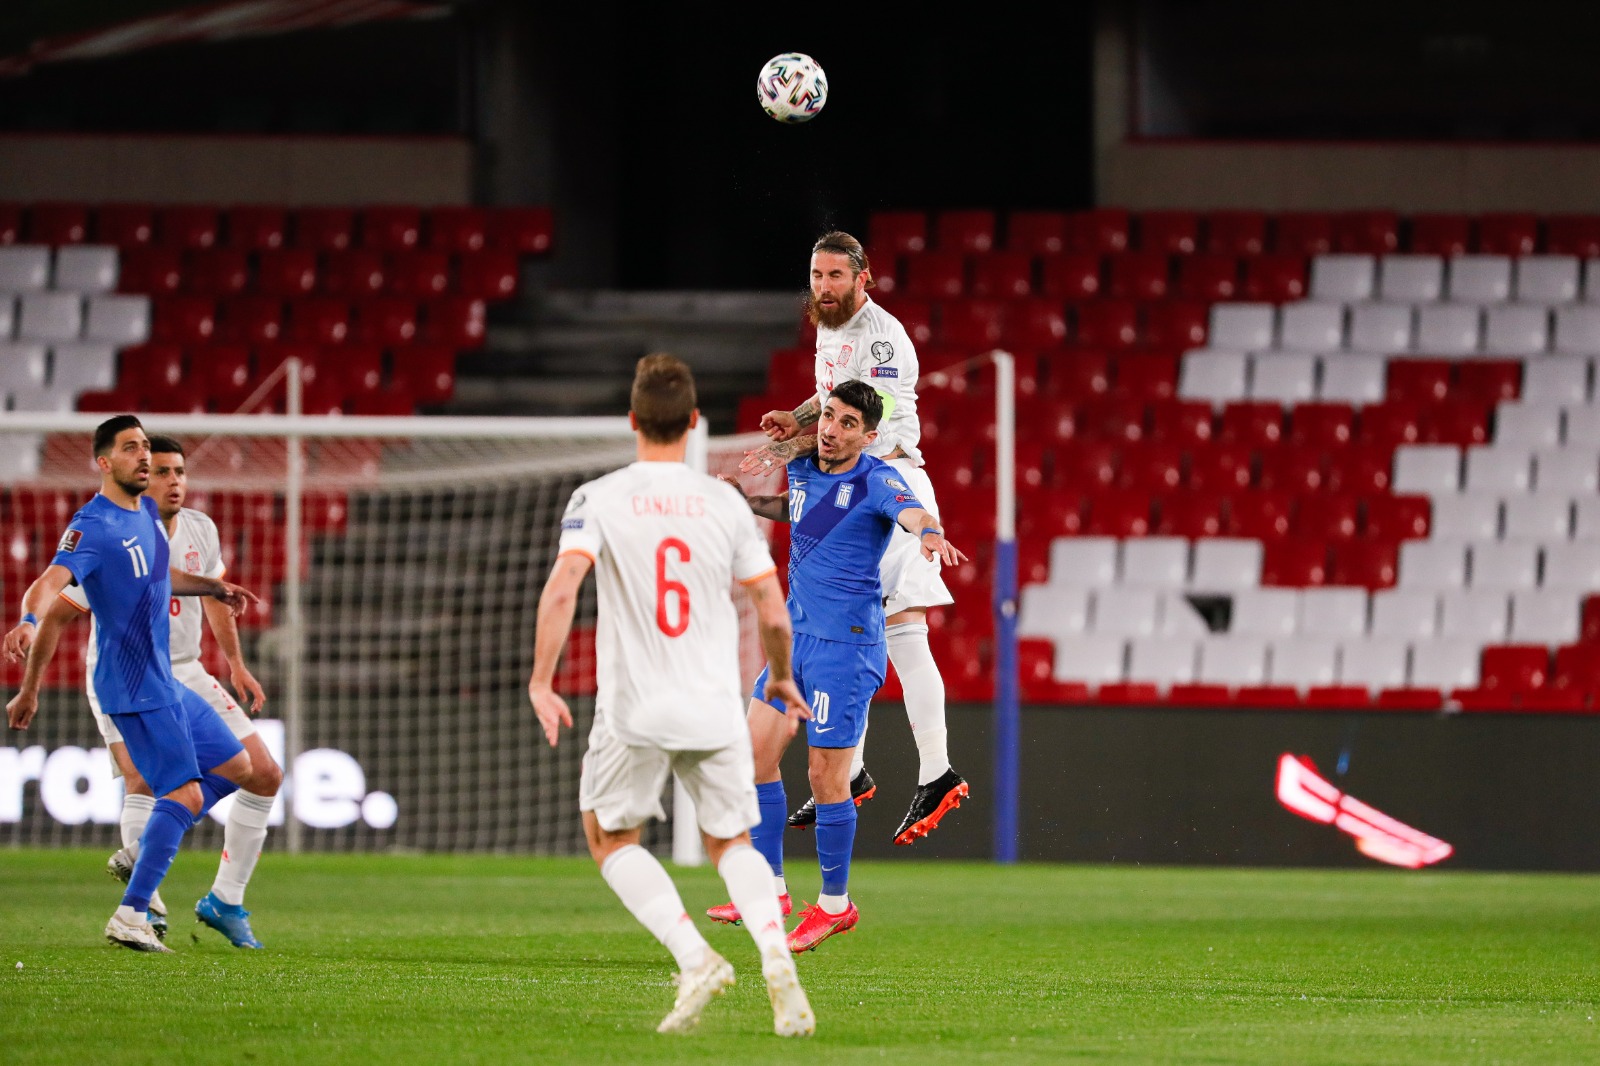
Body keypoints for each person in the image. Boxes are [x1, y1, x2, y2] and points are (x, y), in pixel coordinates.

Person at [528, 354, 816, 1037]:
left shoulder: (597, 496)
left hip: (635, 705)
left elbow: (565, 585)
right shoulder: (723, 500)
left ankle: (696, 958)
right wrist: (779, 676)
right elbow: (773, 610)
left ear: (632, 421)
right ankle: (778, 957)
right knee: (731, 842)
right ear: (692, 424)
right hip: (715, 702)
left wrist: (542, 679)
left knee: (610, 835)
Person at [710, 381, 965, 953]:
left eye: (848, 423)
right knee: (753, 758)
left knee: (826, 778)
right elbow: (794, 509)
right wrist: (749, 502)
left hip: (846, 650)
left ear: (868, 437)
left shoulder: (876, 478)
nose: (831, 428)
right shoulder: (803, 467)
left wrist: (931, 533)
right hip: (793, 643)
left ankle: (834, 906)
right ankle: (770, 891)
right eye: (829, 415)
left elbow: (912, 513)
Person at [740, 230, 970, 846]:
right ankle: (855, 769)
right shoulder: (830, 327)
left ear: (863, 277)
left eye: (836, 276)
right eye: (816, 275)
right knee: (853, 623)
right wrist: (797, 416)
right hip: (855, 489)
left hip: (886, 483)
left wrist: (794, 444)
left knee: (903, 631)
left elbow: (868, 421)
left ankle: (937, 771)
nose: (823, 287)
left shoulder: (883, 338)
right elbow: (833, 399)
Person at [5, 415, 258, 953]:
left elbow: (162, 577)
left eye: (146, 447)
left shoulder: (145, 511)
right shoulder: (92, 527)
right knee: (184, 792)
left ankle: (141, 856)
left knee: (240, 767)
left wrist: (212, 585)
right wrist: (26, 625)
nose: (143, 457)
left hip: (166, 676)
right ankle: (131, 912)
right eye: (131, 449)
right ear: (104, 462)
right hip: (131, 681)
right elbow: (48, 586)